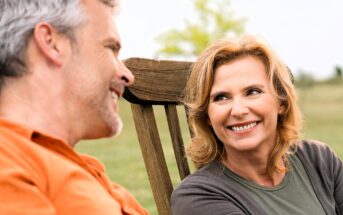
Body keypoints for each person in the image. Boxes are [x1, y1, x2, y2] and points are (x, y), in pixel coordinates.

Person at [0, 0, 148, 214]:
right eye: (110, 48)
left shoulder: (82, 170)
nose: (128, 75)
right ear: (51, 42)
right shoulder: (10, 159)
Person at [171, 35, 343, 214]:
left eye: (253, 92)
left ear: (282, 102)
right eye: (221, 97)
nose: (238, 110)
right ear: (207, 115)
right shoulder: (197, 198)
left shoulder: (318, 160)